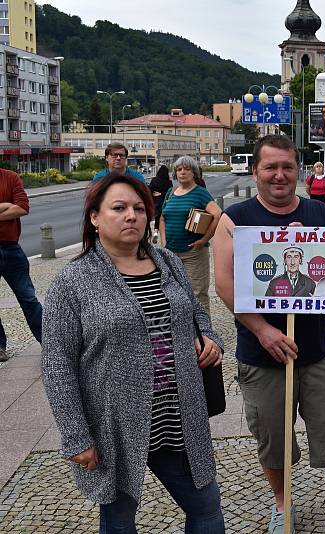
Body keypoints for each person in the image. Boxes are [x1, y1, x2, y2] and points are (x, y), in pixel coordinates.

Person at [213, 135, 325, 534]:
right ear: (255, 171)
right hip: (262, 355)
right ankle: (282, 504)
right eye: (270, 167)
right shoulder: (234, 219)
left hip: (317, 351)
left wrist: (316, 242)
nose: (279, 175)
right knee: (272, 437)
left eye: (287, 167)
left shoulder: (318, 212)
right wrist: (263, 330)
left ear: (299, 171)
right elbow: (225, 284)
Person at [41, 174, 225, 533]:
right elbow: (57, 365)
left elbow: (195, 311)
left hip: (178, 417)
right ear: (95, 217)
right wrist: (76, 436)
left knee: (206, 508)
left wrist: (208, 337)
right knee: (119, 519)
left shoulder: (169, 262)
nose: (132, 216)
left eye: (140, 209)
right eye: (119, 208)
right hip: (115, 425)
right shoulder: (73, 281)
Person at [159, 156, 221, 311]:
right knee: (174, 293)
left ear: (194, 172)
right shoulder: (170, 192)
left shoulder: (200, 193)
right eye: (179, 169)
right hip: (171, 253)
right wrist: (164, 242)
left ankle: (203, 332)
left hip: (193, 252)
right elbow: (162, 218)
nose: (182, 172)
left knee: (198, 293)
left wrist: (205, 239)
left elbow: (217, 214)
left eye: (186, 169)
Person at [0, 167, 42, 362]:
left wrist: (12, 207)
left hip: (11, 248)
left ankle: (50, 343)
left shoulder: (10, 177)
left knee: (28, 299)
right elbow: (13, 208)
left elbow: (22, 208)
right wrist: (5, 206)